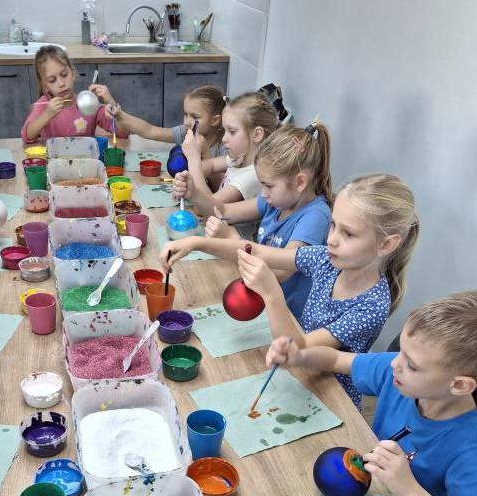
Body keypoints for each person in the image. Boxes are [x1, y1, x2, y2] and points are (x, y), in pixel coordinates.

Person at [162, 174, 419, 406]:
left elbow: (300, 348)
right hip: (298, 376)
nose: (332, 239)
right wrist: (197, 242)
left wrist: (271, 293)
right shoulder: (326, 260)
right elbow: (258, 251)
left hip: (330, 400)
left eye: (348, 234)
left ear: (385, 244)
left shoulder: (372, 307)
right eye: (333, 225)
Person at [265, 291, 477, 496]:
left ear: (459, 385)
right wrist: (300, 356)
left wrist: (409, 490)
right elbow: (335, 360)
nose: (395, 363)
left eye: (412, 365)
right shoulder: (398, 374)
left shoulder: (469, 448)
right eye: (401, 352)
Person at [205, 122, 332, 318]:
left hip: (288, 318)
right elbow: (223, 211)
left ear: (299, 182)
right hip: (261, 302)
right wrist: (193, 189)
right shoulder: (275, 202)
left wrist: (231, 238)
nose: (263, 193)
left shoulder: (315, 217)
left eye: (268, 186)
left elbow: (282, 270)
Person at [172, 92, 279, 238]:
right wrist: (186, 179)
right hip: (214, 232)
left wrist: (193, 160)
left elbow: (206, 208)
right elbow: (210, 166)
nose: (224, 139)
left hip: (232, 244)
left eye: (232, 132)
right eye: (225, 131)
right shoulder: (238, 158)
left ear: (257, 134)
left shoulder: (254, 175)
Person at [21, 46, 120, 142]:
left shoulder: (87, 103)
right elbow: (26, 136)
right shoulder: (44, 105)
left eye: (64, 75)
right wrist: (46, 115)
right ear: (45, 86)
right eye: (52, 80)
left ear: (72, 73)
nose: (61, 84)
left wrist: (111, 103)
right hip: (53, 154)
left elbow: (121, 131)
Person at [109, 84, 226, 159]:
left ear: (215, 120)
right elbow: (149, 130)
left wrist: (204, 153)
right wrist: (120, 115)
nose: (187, 122)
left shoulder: (225, 146)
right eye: (185, 114)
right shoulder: (185, 132)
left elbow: (219, 185)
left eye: (195, 117)